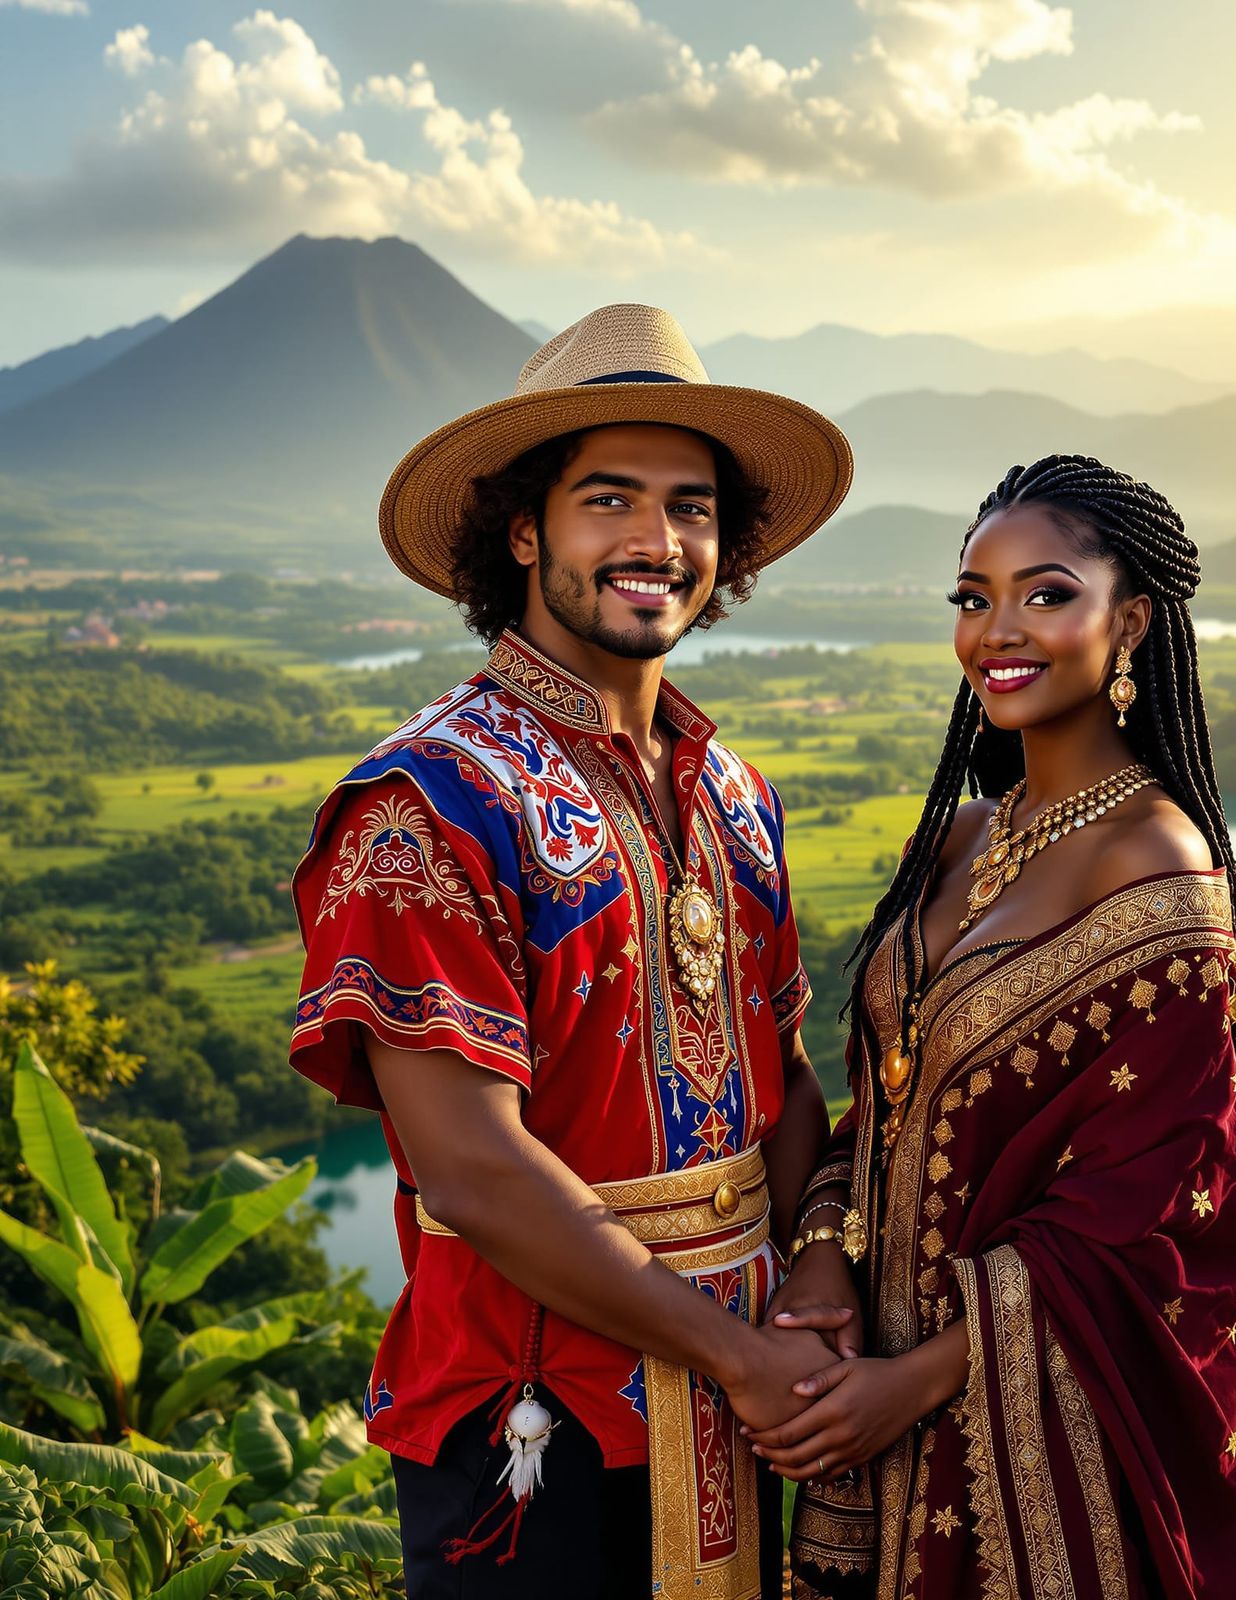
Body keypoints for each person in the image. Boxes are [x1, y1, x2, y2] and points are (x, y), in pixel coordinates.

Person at [288, 304, 856, 1599]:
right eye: (610, 499)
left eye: (692, 507)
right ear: (525, 529)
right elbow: (476, 1172)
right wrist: (734, 1350)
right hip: (537, 1431)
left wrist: (820, 1270)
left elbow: (785, 1082)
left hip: (757, 1392)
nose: (659, 540)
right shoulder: (427, 805)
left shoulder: (735, 794)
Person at [763, 456, 1236, 1599]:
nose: (997, 628)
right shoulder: (954, 837)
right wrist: (820, 1260)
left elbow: (1131, 1222)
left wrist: (913, 1382)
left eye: (1044, 594)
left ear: (1130, 619)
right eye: (972, 596)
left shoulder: (1157, 875)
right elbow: (885, 1105)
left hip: (1045, 1435)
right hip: (878, 1390)